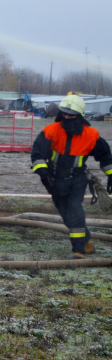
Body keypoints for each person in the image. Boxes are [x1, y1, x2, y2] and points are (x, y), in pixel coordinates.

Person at [31, 94, 112, 259]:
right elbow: (37, 154)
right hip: (54, 179)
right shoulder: (51, 131)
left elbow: (105, 156)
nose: (67, 118)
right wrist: (44, 174)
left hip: (77, 179)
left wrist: (111, 175)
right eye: (64, 114)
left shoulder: (91, 135)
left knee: (75, 209)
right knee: (66, 213)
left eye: (71, 115)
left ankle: (78, 250)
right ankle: (86, 239)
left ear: (80, 116)